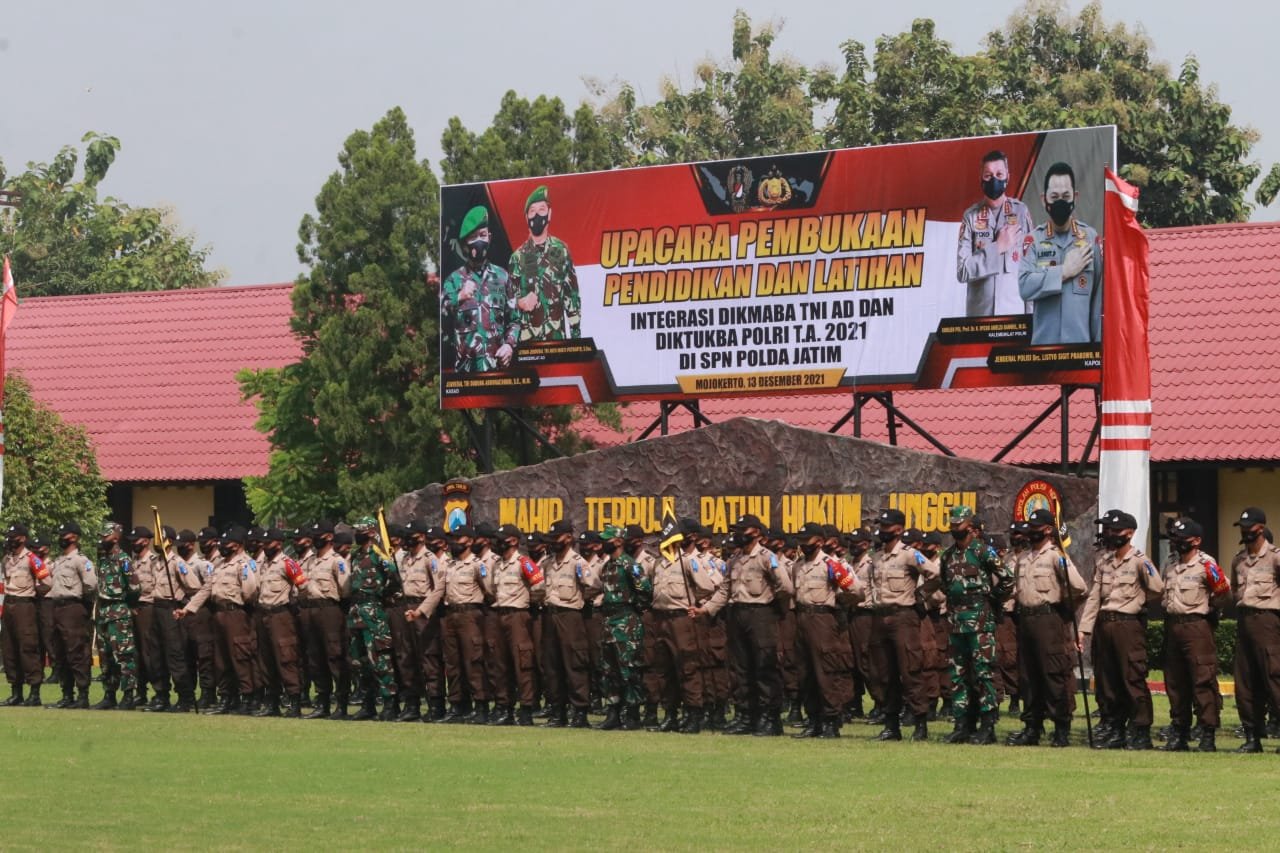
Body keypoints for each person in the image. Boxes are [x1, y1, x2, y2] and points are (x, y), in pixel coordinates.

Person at [697, 514, 794, 737]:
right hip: (737, 613)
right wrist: (708, 609)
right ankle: (745, 715)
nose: (738, 534)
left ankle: (770, 718)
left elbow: (786, 587)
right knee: (740, 668)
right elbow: (725, 590)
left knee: (764, 666)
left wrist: (773, 607)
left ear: (757, 532)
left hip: (760, 614)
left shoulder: (766, 557)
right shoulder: (735, 559)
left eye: (743, 530)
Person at [1077, 510, 1163, 750]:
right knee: (1108, 681)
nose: (1112, 535)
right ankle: (1116, 729)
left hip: (1128, 625)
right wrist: (1084, 629)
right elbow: (1094, 596)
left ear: (1130, 533)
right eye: (1110, 531)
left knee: (1132, 678)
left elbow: (1157, 588)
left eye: (1117, 531)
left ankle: (1141, 730)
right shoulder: (1103, 561)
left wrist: (1137, 601)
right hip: (1105, 624)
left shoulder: (1139, 560)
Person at [1008, 509, 1086, 747]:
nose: (1031, 533)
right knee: (1028, 676)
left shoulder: (1056, 556)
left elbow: (1079, 587)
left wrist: (1062, 607)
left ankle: (1061, 727)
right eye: (1029, 528)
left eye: (1036, 528)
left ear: (1048, 530)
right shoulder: (1022, 559)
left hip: (1049, 620)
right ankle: (1032, 726)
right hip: (1027, 620)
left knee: (1053, 674)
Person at [938, 507, 1014, 745]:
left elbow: (1007, 577)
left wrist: (993, 599)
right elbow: (944, 584)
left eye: (958, 525)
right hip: (957, 622)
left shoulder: (983, 552)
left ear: (970, 527)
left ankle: (988, 725)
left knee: (984, 672)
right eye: (951, 525)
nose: (953, 529)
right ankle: (962, 724)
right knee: (958, 674)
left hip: (980, 621)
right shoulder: (947, 555)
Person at [865, 509, 940, 741]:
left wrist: (920, 594)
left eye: (886, 527)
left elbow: (936, 574)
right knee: (884, 674)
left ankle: (920, 723)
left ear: (898, 530)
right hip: (880, 617)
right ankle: (891, 725)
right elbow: (869, 584)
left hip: (903, 617)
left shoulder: (910, 555)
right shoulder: (876, 557)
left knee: (910, 671)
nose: (881, 532)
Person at [1158, 518, 1229, 752]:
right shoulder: (1169, 563)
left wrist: (1210, 610)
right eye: (1175, 539)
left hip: (1197, 627)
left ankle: (1207, 733)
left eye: (1183, 540)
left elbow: (1223, 591)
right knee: (1175, 682)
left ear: (1196, 541)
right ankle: (1179, 731)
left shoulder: (1207, 564)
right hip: (1173, 626)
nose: (1178, 544)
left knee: (1202, 679)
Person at [409, 525, 490, 723]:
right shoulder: (449, 566)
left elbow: (489, 590)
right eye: (452, 538)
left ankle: (480, 706)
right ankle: (457, 706)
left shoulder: (477, 565)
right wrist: (420, 611)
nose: (454, 542)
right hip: (450, 616)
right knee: (452, 663)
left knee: (473, 662)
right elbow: (437, 591)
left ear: (470, 541)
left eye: (459, 538)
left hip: (469, 614)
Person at [176, 526, 259, 715]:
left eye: (226, 543)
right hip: (219, 614)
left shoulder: (245, 564)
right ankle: (226, 697)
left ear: (237, 545)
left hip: (236, 614)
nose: (222, 546)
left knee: (240, 657)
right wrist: (188, 609)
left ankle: (247, 697)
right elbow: (206, 589)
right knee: (220, 658)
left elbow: (250, 590)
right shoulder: (219, 565)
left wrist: (240, 607)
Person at [1017, 161, 1103, 345]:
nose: (1060, 202)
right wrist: (1063, 272)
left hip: (1081, 352)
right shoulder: (1034, 241)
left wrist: (1099, 348)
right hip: (1043, 353)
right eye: (1054, 197)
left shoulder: (1090, 239)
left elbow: (1098, 302)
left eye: (1066, 196)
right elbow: (1024, 287)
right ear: (1044, 199)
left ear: (1075, 197)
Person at [790, 523, 862, 738]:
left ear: (819, 542)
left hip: (823, 619)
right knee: (805, 672)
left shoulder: (831, 564)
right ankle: (813, 720)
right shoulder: (798, 565)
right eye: (801, 540)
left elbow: (856, 590)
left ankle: (831, 720)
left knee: (826, 671)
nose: (803, 545)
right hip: (801, 617)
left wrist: (840, 602)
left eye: (807, 540)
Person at [648, 519, 717, 733]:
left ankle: (693, 714)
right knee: (664, 669)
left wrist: (695, 604)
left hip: (682, 619)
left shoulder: (687, 561)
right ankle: (670, 715)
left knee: (688, 667)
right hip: (661, 619)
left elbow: (707, 586)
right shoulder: (657, 563)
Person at [441, 205, 520, 373]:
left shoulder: (502, 277)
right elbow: (439, 320)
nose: (479, 241)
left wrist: (509, 345)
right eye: (473, 237)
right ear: (464, 245)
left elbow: (515, 320)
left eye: (483, 235)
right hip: (465, 375)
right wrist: (459, 297)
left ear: (489, 238)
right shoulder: (453, 281)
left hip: (497, 372)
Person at [537, 520, 600, 728]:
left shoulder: (578, 562)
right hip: (550, 615)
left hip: (570, 616)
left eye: (557, 538)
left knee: (575, 664)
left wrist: (580, 601)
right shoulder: (547, 562)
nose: (554, 542)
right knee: (552, 665)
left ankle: (580, 712)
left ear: (568, 538)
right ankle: (557, 712)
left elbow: (594, 586)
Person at [956, 149, 1035, 316]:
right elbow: (962, 271)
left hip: (1013, 318)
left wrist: (1031, 320)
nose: (994, 180)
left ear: (1008, 176)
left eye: (999, 174)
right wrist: (996, 247)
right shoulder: (970, 216)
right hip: (979, 320)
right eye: (988, 175)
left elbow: (1031, 271)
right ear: (981, 179)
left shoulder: (1020, 212)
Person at [481, 523, 544, 727]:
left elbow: (540, 587)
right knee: (499, 662)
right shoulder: (497, 564)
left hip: (518, 615)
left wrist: (527, 603)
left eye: (502, 539)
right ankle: (504, 707)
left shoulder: (524, 562)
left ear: (514, 540)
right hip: (500, 614)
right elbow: (491, 589)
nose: (498, 543)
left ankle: (526, 708)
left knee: (522, 662)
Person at [1229, 506, 1280, 754]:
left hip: (1268, 621)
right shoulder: (1238, 560)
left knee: (1274, 678)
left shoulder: (1275, 558)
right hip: (1244, 621)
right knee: (1245, 681)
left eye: (1250, 528)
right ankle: (1252, 735)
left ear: (1260, 528)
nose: (1246, 532)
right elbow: (1232, 592)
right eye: (1243, 528)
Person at [594, 525, 652, 731]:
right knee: (609, 670)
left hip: (626, 620)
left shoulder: (630, 565)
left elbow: (644, 589)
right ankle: (613, 712)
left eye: (606, 539)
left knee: (629, 669)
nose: (603, 543)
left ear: (618, 541)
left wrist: (635, 608)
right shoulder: (607, 565)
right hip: (609, 620)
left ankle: (633, 713)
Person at [342, 517, 400, 721]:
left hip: (373, 611)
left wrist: (381, 595)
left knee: (379, 660)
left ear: (369, 532)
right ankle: (368, 704)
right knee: (360, 661)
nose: (356, 535)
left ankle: (390, 704)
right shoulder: (356, 555)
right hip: (356, 611)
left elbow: (393, 576)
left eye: (360, 531)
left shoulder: (378, 553)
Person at [510, 185, 581, 342]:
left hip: (557, 340)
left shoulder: (560, 250)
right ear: (526, 218)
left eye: (541, 210)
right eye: (532, 211)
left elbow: (572, 295)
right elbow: (506, 304)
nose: (536, 215)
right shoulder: (517, 257)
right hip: (527, 346)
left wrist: (576, 338)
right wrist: (520, 303)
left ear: (549, 214)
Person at [297, 521, 350, 720]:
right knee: (315, 658)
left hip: (330, 610)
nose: (314, 539)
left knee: (335, 656)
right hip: (311, 611)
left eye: (318, 535)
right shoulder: (309, 561)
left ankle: (342, 703)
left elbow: (345, 589)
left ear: (328, 537)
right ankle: (322, 702)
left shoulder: (337, 561)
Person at [253, 528, 307, 718]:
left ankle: (294, 701)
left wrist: (293, 606)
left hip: (280, 615)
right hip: (264, 614)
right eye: (264, 543)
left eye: (269, 543)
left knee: (286, 657)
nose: (265, 546)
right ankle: (272, 701)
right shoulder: (263, 564)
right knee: (266, 659)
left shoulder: (288, 563)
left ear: (279, 543)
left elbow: (303, 587)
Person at [44, 522, 98, 709]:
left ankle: (83, 695)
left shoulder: (81, 560)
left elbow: (91, 585)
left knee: (77, 651)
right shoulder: (58, 561)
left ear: (74, 537)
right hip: (57, 607)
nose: (60, 538)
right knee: (60, 652)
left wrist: (82, 605)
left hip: (73, 608)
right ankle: (67, 695)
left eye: (64, 535)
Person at [92, 523, 141, 710]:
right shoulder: (103, 559)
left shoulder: (123, 559)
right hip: (103, 613)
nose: (102, 539)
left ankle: (128, 696)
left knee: (123, 655)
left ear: (115, 537)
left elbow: (135, 587)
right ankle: (109, 694)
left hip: (118, 611)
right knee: (105, 657)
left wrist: (127, 604)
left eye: (105, 536)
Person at [1, 523, 50, 706]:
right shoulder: (6, 559)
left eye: (13, 536)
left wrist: (35, 597)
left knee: (28, 647)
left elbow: (47, 582)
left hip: (25, 605)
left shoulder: (32, 559)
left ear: (22, 538)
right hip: (9, 604)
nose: (10, 539)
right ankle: (16, 692)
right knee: (9, 648)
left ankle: (34, 692)